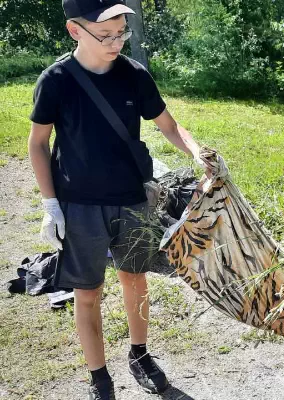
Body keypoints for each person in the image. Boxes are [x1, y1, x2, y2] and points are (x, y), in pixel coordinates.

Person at [28, 0, 209, 398]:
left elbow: (168, 125)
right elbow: (38, 144)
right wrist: (51, 204)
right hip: (79, 204)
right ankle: (99, 376)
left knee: (135, 279)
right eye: (106, 34)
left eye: (122, 32)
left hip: (132, 199)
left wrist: (197, 152)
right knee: (87, 292)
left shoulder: (134, 76)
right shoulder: (55, 80)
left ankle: (140, 355)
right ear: (76, 30)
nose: (117, 43)